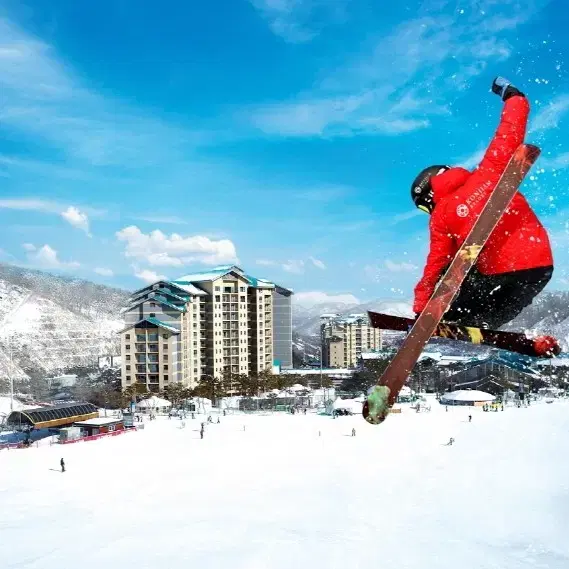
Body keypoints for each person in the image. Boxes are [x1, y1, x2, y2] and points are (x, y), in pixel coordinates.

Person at [411, 77, 554, 329]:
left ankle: (458, 318)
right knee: (501, 307)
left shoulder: (441, 215)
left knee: (455, 271)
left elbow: (436, 261)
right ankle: (484, 324)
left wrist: (422, 307)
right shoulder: (489, 172)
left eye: (424, 207)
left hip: (495, 272)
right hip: (539, 266)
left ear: (429, 195)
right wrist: (513, 95)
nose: (427, 212)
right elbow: (508, 133)